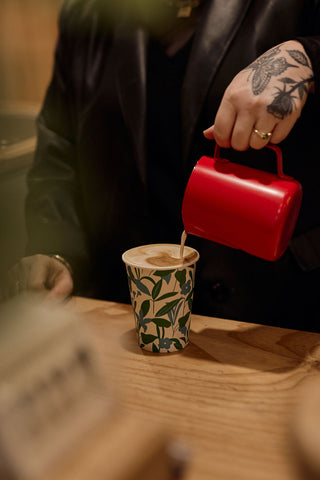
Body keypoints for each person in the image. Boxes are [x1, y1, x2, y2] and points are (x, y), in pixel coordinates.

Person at [5, 0, 320, 331]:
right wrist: (57, 253)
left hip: (280, 320)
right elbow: (60, 155)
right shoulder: (88, 12)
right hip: (126, 317)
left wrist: (306, 57)